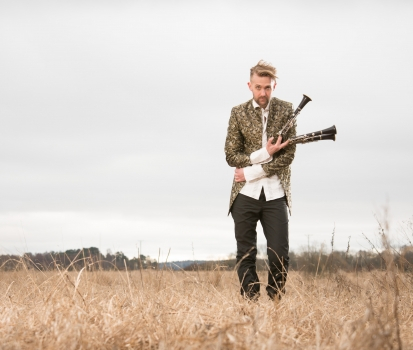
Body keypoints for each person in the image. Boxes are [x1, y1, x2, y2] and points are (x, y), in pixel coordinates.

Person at [224, 60, 296, 300]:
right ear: (249, 86)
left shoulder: (287, 110)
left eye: (267, 87)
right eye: (258, 87)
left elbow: (287, 157)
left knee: (279, 254)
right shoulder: (238, 112)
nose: (262, 93)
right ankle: (250, 303)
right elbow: (231, 155)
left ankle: (276, 302)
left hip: (275, 194)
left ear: (273, 85)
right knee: (246, 254)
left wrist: (250, 171)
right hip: (244, 195)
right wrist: (264, 153)